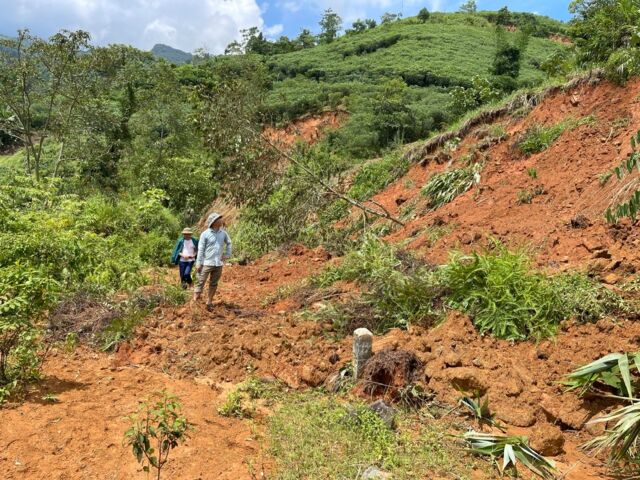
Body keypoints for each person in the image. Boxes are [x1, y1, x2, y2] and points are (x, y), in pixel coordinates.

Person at [194, 212, 232, 311]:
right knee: (200, 281)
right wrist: (198, 262)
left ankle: (209, 302)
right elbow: (201, 249)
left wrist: (227, 254)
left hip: (218, 263)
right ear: (213, 221)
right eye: (219, 218)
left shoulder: (223, 233)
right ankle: (195, 301)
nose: (221, 220)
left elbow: (229, 243)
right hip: (206, 263)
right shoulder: (205, 234)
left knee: (214, 283)